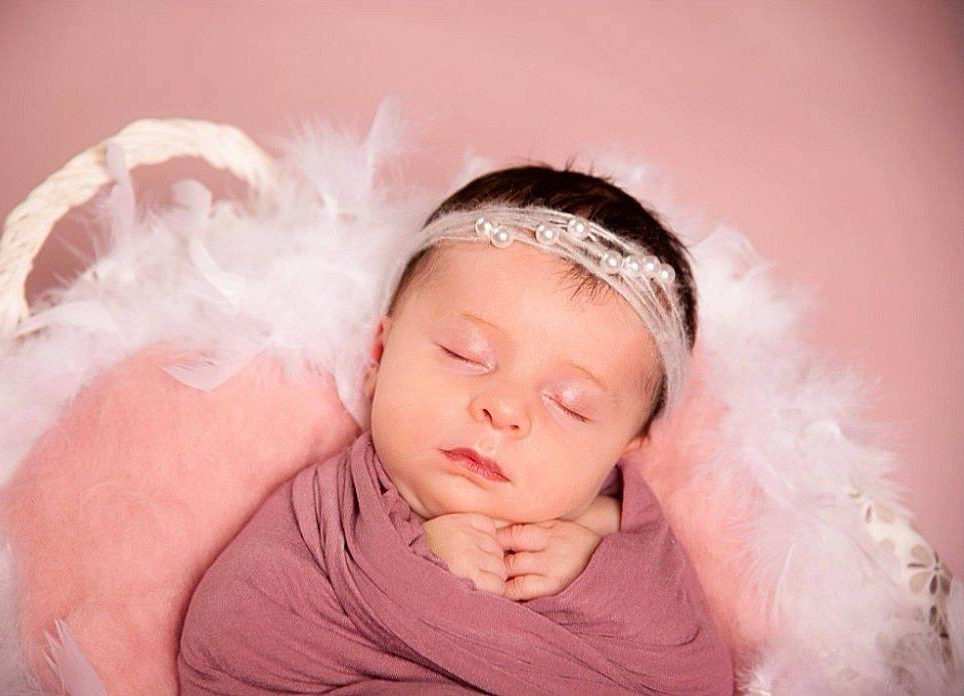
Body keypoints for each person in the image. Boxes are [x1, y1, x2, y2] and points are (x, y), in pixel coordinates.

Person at [178, 166, 734, 695]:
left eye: (570, 405)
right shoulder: (328, 527)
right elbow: (233, 641)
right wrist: (419, 567)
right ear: (379, 354)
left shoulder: (633, 553)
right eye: (465, 354)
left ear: (624, 446)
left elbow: (694, 680)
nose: (503, 408)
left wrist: (599, 583)